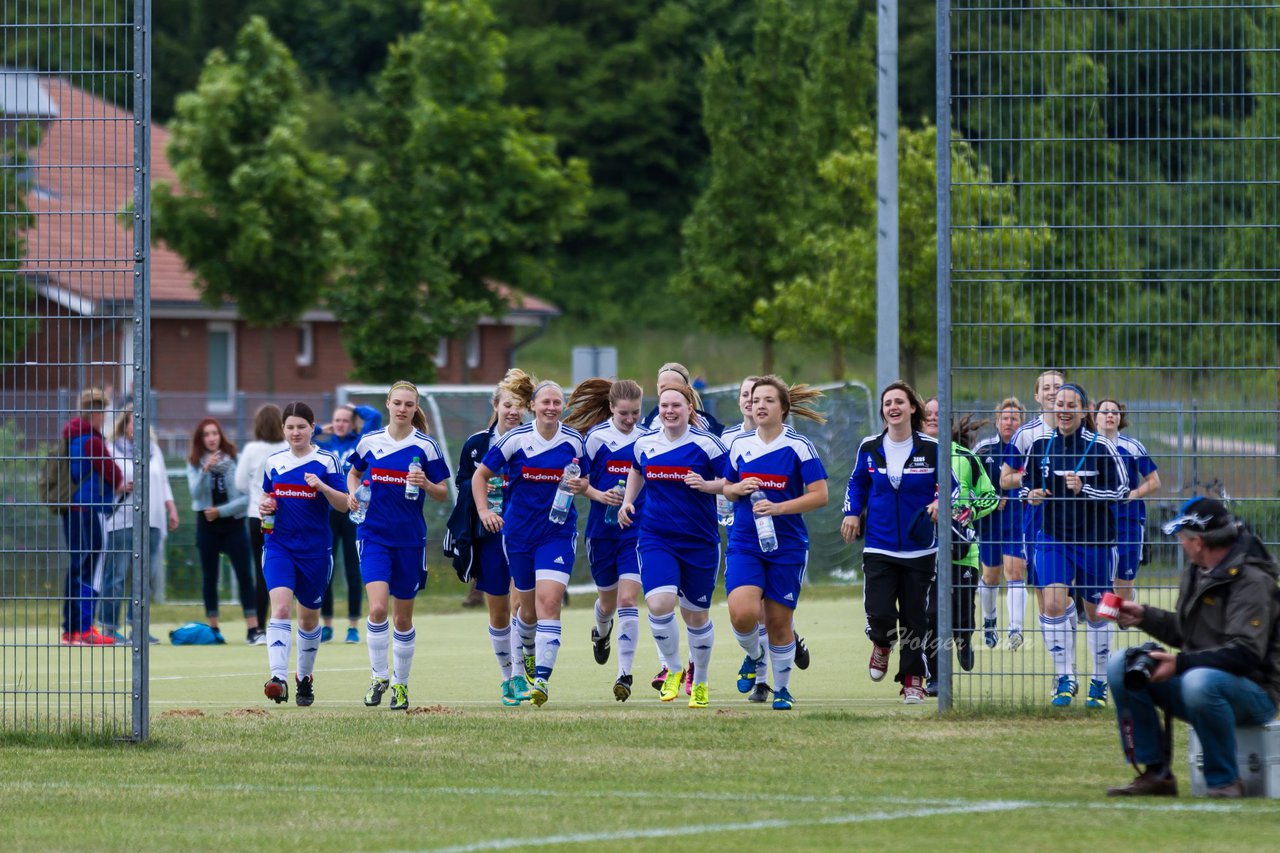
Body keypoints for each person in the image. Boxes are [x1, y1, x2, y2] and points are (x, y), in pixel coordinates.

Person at [1106, 497, 1280, 799]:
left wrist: (1180, 664)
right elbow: (1187, 634)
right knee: (1122, 664)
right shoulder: (1197, 570)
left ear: (1198, 541)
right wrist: (1145, 616)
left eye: (1182, 538)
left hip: (1255, 691)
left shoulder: (1253, 580)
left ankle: (1224, 781)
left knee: (1200, 682)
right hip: (1202, 681)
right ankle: (1156, 773)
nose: (1180, 544)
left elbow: (1245, 654)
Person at [473, 377, 588, 707]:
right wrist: (484, 510)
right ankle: (522, 664)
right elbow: (481, 476)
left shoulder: (574, 442)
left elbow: (585, 480)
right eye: (545, 402)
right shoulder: (515, 440)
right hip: (520, 534)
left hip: (558, 533)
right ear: (533, 407)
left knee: (549, 603)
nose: (551, 408)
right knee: (525, 611)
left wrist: (582, 487)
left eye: (556, 402)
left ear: (562, 407)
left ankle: (542, 680)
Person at [618, 384, 727, 709]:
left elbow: (731, 482)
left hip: (699, 542)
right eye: (664, 405)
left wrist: (708, 485)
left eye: (675, 405)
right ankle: (674, 671)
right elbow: (636, 471)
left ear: (688, 408)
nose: (668, 410)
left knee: (696, 617)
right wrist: (627, 502)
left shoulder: (707, 445)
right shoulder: (645, 444)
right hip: (656, 537)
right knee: (660, 603)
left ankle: (701, 681)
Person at [724, 376, 828, 710]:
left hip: (787, 545)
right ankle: (755, 657)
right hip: (745, 542)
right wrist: (736, 489)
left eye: (769, 400)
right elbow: (727, 487)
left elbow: (820, 495)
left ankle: (782, 689)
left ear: (783, 408)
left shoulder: (799, 446)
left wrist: (779, 507)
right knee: (742, 613)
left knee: (779, 622)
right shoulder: (740, 445)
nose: (760, 406)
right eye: (756, 400)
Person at [1023, 383, 1128, 708]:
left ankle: (1100, 680)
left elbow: (1122, 489)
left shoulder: (1101, 447)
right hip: (1054, 538)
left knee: (1097, 611)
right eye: (1059, 404)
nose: (1064, 410)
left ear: (1084, 412)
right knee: (1053, 603)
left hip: (1096, 541)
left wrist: (1086, 489)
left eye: (1072, 405)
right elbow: (1025, 486)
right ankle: (1064, 677)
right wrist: (1032, 495)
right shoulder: (1041, 445)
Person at [348, 381, 451, 711]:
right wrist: (353, 494)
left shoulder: (426, 446)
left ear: (414, 408)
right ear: (388, 404)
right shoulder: (370, 441)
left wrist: (426, 484)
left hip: (409, 539)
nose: (402, 409)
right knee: (378, 609)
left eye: (409, 404)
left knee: (402, 619)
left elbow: (443, 493)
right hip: (373, 534)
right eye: (397, 403)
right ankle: (379, 676)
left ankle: (401, 685)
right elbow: (353, 473)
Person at [840, 381, 938, 704]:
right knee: (880, 613)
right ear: (883, 411)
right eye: (887, 403)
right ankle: (882, 644)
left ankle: (912, 680)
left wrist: (940, 503)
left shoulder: (932, 448)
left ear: (912, 408)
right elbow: (857, 482)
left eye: (899, 401)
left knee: (915, 617)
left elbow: (949, 487)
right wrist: (853, 512)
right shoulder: (869, 447)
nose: (893, 407)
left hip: (920, 549)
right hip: (879, 546)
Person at [258, 402, 349, 706]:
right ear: (283, 429)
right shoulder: (274, 462)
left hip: (315, 551)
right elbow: (267, 497)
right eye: (290, 427)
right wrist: (265, 506)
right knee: (281, 608)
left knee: (308, 620)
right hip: (279, 546)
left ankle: (304, 678)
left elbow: (344, 503)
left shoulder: (327, 460)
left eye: (301, 426)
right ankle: (278, 678)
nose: (295, 432)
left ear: (313, 427)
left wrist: (322, 487)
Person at [452, 369, 533, 706]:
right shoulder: (477, 444)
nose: (513, 411)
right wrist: (484, 509)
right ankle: (508, 677)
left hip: (527, 533)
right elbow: (463, 485)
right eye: (507, 405)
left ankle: (523, 661)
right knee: (499, 610)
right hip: (489, 536)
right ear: (496, 405)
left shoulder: (535, 440)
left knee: (524, 606)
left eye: (519, 406)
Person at [564, 377, 646, 701]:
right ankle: (601, 631)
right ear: (611, 408)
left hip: (636, 532)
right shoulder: (595, 439)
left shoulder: (647, 439)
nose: (630, 419)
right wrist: (601, 495)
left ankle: (624, 674)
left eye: (635, 413)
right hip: (601, 531)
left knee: (628, 601)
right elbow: (580, 484)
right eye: (624, 413)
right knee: (608, 603)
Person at [921, 401, 999, 691]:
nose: (932, 420)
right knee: (930, 614)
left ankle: (965, 639)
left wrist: (967, 512)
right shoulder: (911, 458)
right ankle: (936, 677)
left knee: (962, 611)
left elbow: (989, 497)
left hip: (963, 551)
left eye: (938, 416)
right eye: (927, 416)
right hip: (925, 551)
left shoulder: (965, 459)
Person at [99, 404, 178, 644]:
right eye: (134, 421)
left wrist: (171, 508)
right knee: (117, 576)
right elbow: (105, 480)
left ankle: (139, 628)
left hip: (152, 521)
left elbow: (163, 481)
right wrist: (120, 487)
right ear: (125, 424)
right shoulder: (111, 449)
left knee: (146, 577)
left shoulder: (154, 450)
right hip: (122, 521)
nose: (138, 425)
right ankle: (109, 628)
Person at [60, 388, 129, 645]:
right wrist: (121, 485)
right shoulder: (92, 440)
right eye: (103, 411)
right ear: (96, 412)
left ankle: (71, 630)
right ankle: (87, 629)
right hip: (92, 509)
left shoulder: (71, 437)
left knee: (76, 567)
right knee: (92, 566)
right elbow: (114, 474)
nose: (105, 416)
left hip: (72, 510)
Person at [1000, 369, 1066, 621]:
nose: (1052, 391)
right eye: (1046, 387)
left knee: (1075, 596)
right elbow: (1004, 479)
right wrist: (1031, 480)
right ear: (1037, 396)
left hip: (1079, 521)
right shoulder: (1025, 434)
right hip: (1040, 521)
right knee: (1047, 600)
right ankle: (1062, 657)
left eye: (1057, 386)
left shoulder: (1081, 432)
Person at [314, 403, 383, 642]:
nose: (341, 424)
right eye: (337, 420)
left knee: (353, 568)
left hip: (355, 510)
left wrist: (354, 408)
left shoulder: (361, 441)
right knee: (327, 567)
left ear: (353, 423)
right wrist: (324, 428)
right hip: (330, 510)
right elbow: (301, 437)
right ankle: (328, 624)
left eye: (346, 420)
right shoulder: (325, 445)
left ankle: (353, 625)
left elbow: (374, 415)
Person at [187, 417, 259, 644]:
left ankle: (253, 629)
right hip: (206, 526)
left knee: (245, 575)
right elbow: (196, 495)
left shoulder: (235, 460)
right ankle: (214, 629)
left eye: (214, 434)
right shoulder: (195, 462)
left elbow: (246, 498)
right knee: (210, 577)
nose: (211, 438)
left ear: (220, 436)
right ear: (201, 439)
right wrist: (204, 471)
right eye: (206, 435)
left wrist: (221, 511)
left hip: (233, 523)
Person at [973, 397, 1028, 650]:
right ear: (997, 421)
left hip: (1019, 520)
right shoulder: (984, 450)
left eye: (1014, 418)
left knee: (1015, 572)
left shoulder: (1029, 448)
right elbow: (967, 484)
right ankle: (989, 620)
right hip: (990, 523)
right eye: (1005, 418)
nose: (1009, 422)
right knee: (990, 576)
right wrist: (990, 500)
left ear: (1022, 422)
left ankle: (1016, 628)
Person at [1096, 398, 1161, 602]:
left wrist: (1134, 494)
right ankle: (1107, 617)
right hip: (1097, 521)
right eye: (1105, 411)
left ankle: (1126, 600)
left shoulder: (1132, 447)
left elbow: (1154, 481)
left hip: (1128, 521)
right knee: (1100, 575)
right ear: (1094, 417)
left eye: (1114, 412)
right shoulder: (1088, 446)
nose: (1110, 415)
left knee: (1123, 582)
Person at [235, 404, 287, 645]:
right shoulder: (288, 447)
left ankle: (257, 629)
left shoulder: (252, 449)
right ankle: (281, 624)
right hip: (285, 516)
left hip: (257, 515)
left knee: (260, 570)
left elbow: (239, 484)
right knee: (282, 570)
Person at [638, 361, 725, 437]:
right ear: (657, 389)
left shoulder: (704, 424)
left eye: (675, 387)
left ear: (686, 389)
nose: (669, 391)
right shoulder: (647, 424)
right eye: (663, 387)